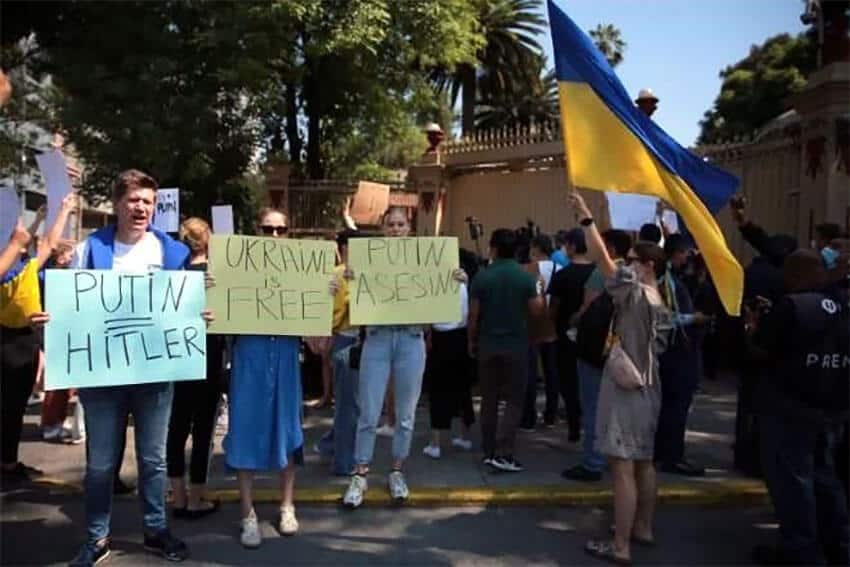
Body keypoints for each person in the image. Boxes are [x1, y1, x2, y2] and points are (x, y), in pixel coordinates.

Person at [29, 170, 205, 566]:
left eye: (147, 201)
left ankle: (156, 531)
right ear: (117, 205)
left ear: (155, 207)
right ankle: (97, 538)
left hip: (155, 376)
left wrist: (198, 315)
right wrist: (47, 317)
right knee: (102, 463)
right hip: (102, 377)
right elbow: (68, 300)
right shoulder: (91, 249)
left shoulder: (173, 254)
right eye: (133, 200)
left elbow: (183, 309)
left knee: (153, 460)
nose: (141, 207)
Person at [222, 207, 336, 547]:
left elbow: (318, 345)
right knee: (244, 431)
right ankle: (247, 514)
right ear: (256, 232)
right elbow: (214, 315)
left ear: (289, 233)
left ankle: (287, 505)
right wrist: (212, 286)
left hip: (285, 360)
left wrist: (323, 298)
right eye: (267, 229)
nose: (274, 236)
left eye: (280, 229)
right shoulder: (235, 271)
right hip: (249, 359)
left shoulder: (302, 274)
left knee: (288, 430)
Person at [569, 192, 672, 566]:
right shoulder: (658, 297)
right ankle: (642, 527)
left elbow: (603, 261)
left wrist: (586, 219)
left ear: (645, 266)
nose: (624, 264)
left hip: (628, 390)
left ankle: (621, 544)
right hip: (649, 388)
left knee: (622, 468)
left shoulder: (635, 293)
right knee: (644, 462)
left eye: (631, 260)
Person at [342, 207, 466, 507]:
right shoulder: (368, 259)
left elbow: (442, 298)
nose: (395, 229)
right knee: (369, 413)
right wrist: (350, 276)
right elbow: (350, 295)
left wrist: (456, 278)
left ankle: (397, 471)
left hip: (411, 339)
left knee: (407, 415)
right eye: (390, 225)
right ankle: (360, 474)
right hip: (378, 338)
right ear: (383, 229)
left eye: (400, 224)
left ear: (408, 228)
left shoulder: (426, 258)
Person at [749, 250, 849, 566]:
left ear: (794, 275)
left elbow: (761, 350)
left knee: (792, 483)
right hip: (830, 408)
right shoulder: (843, 307)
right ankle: (838, 543)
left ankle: (800, 548)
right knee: (824, 477)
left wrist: (752, 328)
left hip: (787, 407)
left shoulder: (793, 307)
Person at [2, 194, 77, 485]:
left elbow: (47, 242)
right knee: (9, 407)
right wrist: (19, 239)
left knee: (16, 406)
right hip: (8, 341)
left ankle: (8, 460)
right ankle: (7, 463)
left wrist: (61, 212)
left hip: (26, 341)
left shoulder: (28, 265)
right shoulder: (8, 268)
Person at [468, 228, 544, 472]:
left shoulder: (483, 276)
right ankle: (505, 450)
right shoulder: (525, 278)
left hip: (488, 345)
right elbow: (537, 312)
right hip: (517, 346)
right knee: (513, 400)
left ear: (493, 248)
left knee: (488, 400)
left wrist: (471, 341)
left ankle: (488, 449)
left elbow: (473, 315)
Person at [562, 228, 632, 482]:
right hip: (624, 351)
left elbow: (586, 308)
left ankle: (593, 462)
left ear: (609, 249)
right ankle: (612, 457)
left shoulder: (600, 274)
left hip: (595, 349)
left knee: (593, 406)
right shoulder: (633, 273)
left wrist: (574, 319)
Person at [166, 218, 223, 520]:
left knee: (176, 428)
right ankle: (197, 498)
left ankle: (178, 497)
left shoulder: (173, 272)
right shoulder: (218, 274)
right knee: (203, 431)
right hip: (209, 359)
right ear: (208, 239)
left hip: (177, 357)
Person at [654, 234, 710, 477]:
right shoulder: (665, 280)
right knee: (675, 407)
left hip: (675, 353)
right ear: (676, 253)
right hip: (676, 354)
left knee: (670, 407)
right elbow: (663, 317)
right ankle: (671, 456)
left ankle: (663, 452)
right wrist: (693, 318)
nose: (690, 258)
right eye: (687, 253)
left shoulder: (675, 278)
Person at [316, 229, 363, 476]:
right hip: (346, 341)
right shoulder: (336, 275)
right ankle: (343, 463)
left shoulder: (363, 274)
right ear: (342, 248)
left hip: (361, 342)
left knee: (352, 404)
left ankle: (329, 444)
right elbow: (331, 316)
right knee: (349, 406)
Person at [548, 228, 596, 442]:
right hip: (593, 334)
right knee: (591, 381)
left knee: (568, 380)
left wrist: (551, 325)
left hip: (564, 334)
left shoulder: (562, 276)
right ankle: (590, 424)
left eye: (567, 244)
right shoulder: (597, 273)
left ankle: (574, 425)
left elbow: (554, 307)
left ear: (573, 246)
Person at [423, 278, 474, 459]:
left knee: (437, 389)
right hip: (459, 336)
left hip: (440, 338)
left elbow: (427, 315)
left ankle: (435, 443)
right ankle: (464, 436)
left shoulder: (433, 283)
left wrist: (428, 335)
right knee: (463, 387)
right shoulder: (462, 282)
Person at [521, 234, 561, 430]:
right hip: (552, 324)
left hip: (531, 324)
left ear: (535, 248)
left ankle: (528, 416)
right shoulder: (559, 268)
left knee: (529, 370)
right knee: (551, 371)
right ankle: (551, 415)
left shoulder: (528, 270)